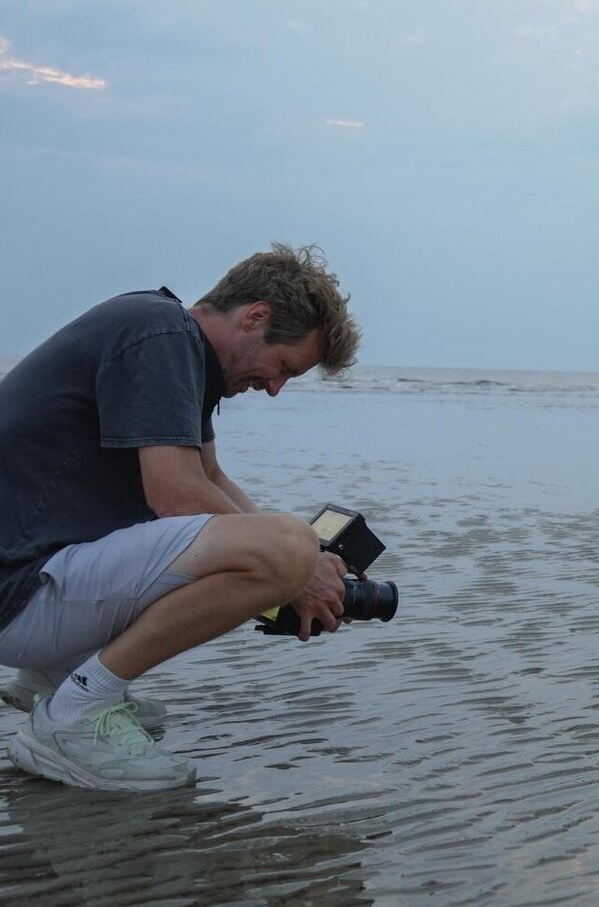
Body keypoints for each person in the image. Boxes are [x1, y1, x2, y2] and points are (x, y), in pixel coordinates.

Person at [0, 243, 362, 790]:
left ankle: (53, 680)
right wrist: (293, 563)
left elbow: (210, 479)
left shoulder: (166, 337)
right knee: (284, 547)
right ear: (255, 316)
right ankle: (73, 714)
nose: (273, 388)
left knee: (285, 545)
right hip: (17, 594)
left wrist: (304, 560)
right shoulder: (161, 336)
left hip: (27, 579)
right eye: (283, 366)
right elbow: (175, 493)